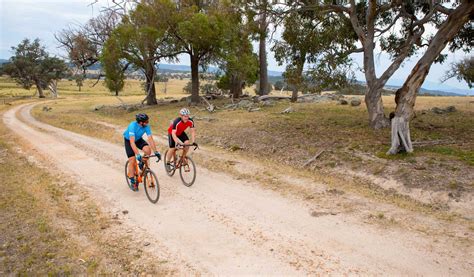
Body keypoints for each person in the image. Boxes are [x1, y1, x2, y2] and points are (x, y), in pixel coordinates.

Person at [123, 113, 161, 191]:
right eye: (146, 121)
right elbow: (132, 142)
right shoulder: (132, 126)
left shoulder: (146, 126)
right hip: (129, 140)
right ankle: (132, 180)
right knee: (132, 160)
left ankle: (142, 163)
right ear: (141, 122)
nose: (148, 122)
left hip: (138, 139)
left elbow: (150, 139)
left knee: (148, 150)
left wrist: (156, 151)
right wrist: (137, 154)